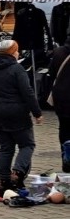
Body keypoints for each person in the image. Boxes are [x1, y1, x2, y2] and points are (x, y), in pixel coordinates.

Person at [0, 39, 44, 191]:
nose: (18, 52)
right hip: (17, 113)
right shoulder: (17, 69)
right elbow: (27, 93)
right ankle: (18, 171)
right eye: (16, 50)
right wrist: (37, 113)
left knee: (5, 148)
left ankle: (4, 180)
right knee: (27, 144)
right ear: (12, 52)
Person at [47, 34, 70, 172]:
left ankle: (66, 159)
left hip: (61, 97)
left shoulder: (58, 52)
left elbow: (51, 73)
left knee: (64, 128)